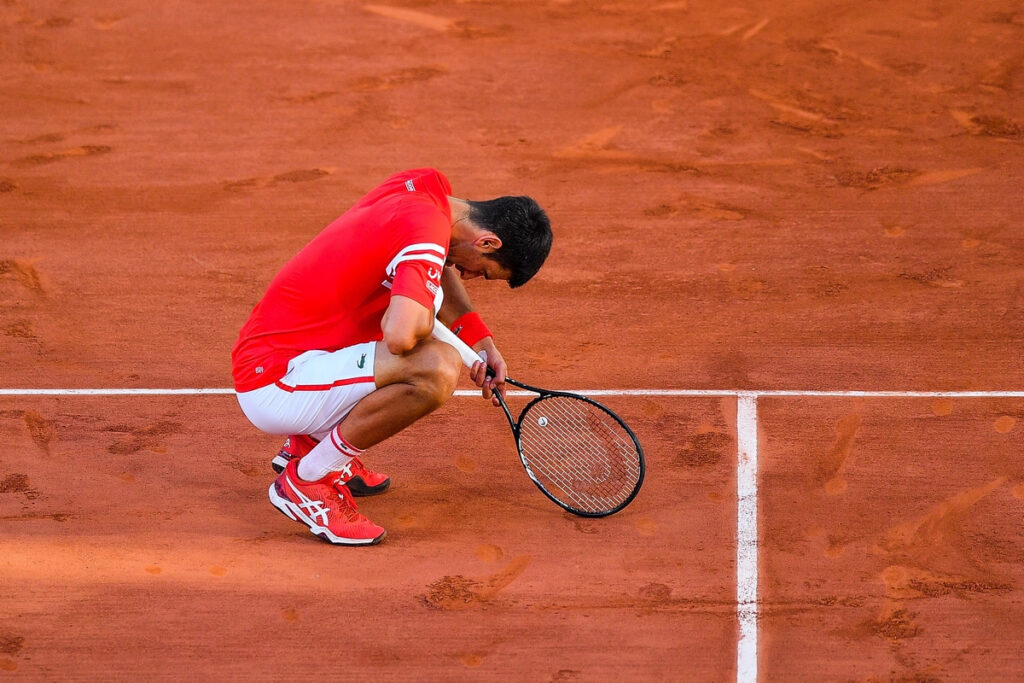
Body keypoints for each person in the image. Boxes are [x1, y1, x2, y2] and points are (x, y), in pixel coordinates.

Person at [231, 168, 552, 546]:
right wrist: (426, 311)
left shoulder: (427, 190)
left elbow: (437, 264)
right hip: (276, 382)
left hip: (294, 349)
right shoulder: (427, 235)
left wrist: (480, 343)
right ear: (487, 243)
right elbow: (400, 337)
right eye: (483, 272)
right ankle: (309, 479)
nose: (468, 276)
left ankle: (309, 444)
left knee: (429, 338)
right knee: (436, 367)